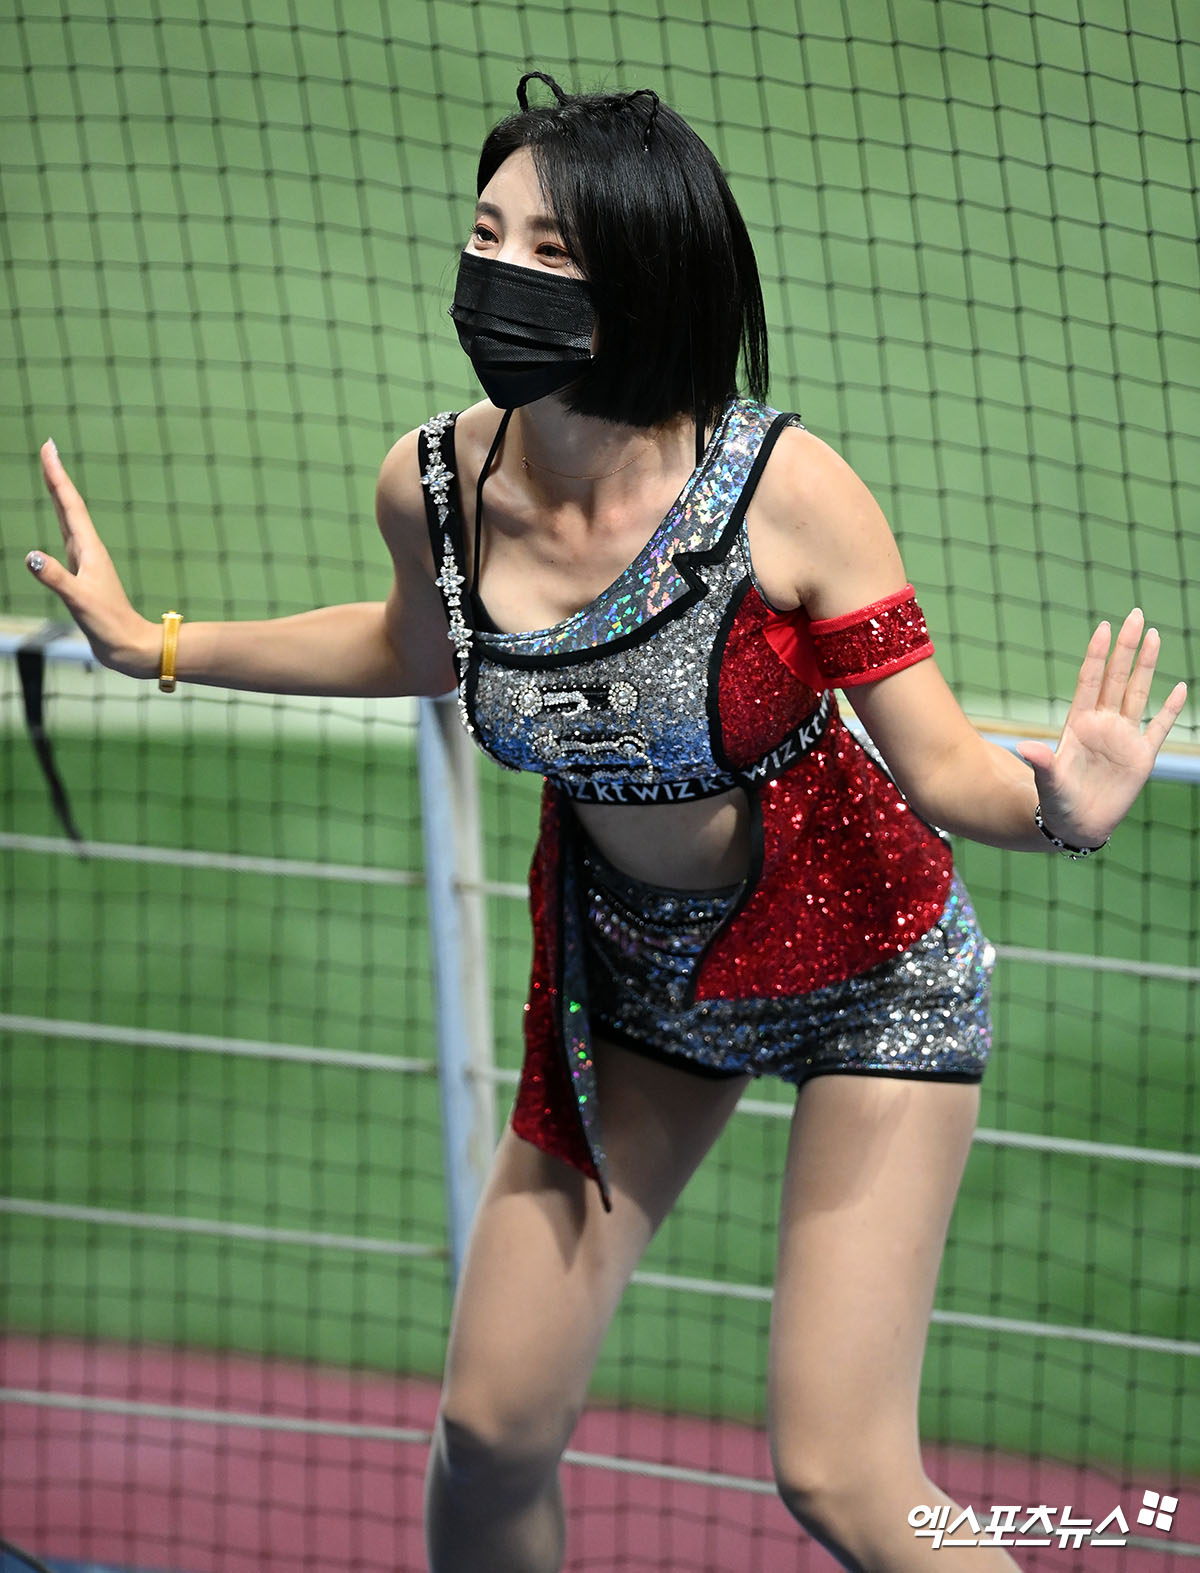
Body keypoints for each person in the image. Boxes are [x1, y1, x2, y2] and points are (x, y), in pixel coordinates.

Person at [26, 72, 1185, 1573]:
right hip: (636, 986)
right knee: (490, 1429)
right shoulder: (436, 487)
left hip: (872, 972)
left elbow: (949, 771)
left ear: (642, 283)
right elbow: (419, 645)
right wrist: (161, 644)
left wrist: (1062, 807)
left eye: (551, 252)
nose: (497, 272)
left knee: (842, 1474)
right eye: (485, 233)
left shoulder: (782, 493)